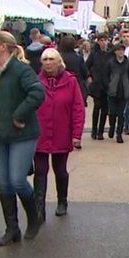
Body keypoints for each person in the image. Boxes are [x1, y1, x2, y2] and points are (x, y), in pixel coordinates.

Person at [0, 31, 47, 245]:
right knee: (5, 184)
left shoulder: (20, 70)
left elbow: (37, 93)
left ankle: (34, 219)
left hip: (21, 134)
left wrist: (19, 114)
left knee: (17, 180)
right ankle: (11, 229)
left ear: (4, 47)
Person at [35, 48, 85, 219]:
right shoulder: (36, 81)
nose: (48, 62)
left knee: (60, 170)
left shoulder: (71, 81)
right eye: (45, 59)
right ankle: (39, 207)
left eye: (51, 59)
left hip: (62, 133)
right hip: (40, 134)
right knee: (40, 170)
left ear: (59, 62)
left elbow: (78, 108)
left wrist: (77, 134)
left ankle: (62, 201)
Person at [106, 43, 129, 143]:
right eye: (119, 50)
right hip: (113, 92)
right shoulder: (111, 63)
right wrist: (108, 85)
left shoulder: (128, 63)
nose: (121, 52)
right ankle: (112, 127)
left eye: (122, 50)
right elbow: (106, 75)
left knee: (121, 114)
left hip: (123, 92)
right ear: (115, 52)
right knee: (112, 113)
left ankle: (119, 134)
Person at [87, 33, 112, 140]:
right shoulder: (94, 54)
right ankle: (94, 130)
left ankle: (101, 131)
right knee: (97, 107)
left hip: (107, 85)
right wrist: (89, 77)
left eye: (105, 40)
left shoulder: (110, 54)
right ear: (98, 41)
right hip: (97, 85)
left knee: (105, 109)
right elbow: (86, 66)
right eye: (101, 40)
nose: (103, 42)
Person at [58, 35, 90, 105]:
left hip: (62, 85)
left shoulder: (59, 57)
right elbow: (84, 72)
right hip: (77, 85)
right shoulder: (78, 57)